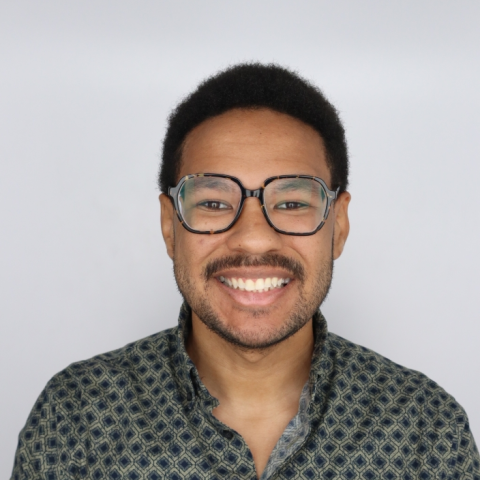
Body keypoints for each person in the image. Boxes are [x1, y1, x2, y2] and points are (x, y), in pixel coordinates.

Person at [11, 63, 479, 480]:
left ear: (338, 226)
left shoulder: (428, 432)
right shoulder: (75, 421)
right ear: (169, 226)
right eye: (214, 203)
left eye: (292, 203)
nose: (254, 238)